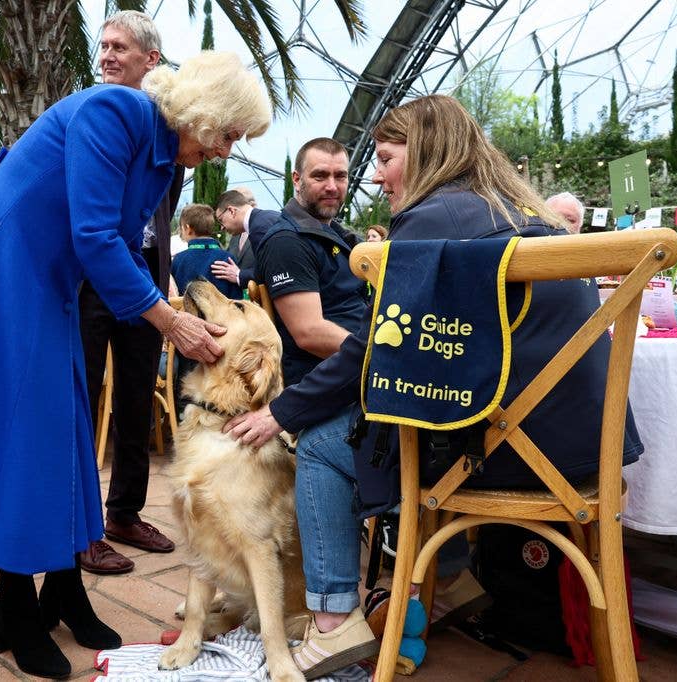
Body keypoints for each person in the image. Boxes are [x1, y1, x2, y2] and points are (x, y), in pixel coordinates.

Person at [224, 94, 643, 678]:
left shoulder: (427, 221)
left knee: (323, 441)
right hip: (586, 451)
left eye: (386, 158)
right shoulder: (527, 213)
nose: (375, 175)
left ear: (422, 154)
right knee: (417, 425)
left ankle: (331, 625)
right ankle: (451, 581)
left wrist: (284, 412)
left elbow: (377, 347)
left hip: (507, 454)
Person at [0, 50, 270, 679]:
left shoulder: (158, 153)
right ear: (203, 113)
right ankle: (13, 599)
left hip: (46, 276)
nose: (227, 150)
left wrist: (170, 310)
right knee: (23, 433)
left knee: (64, 423)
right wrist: (170, 322)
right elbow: (95, 235)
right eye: (229, 134)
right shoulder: (113, 112)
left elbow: (113, 244)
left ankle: (63, 585)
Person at [78, 10, 185, 578]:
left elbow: (156, 212)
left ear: (152, 59)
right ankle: (82, 528)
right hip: (94, 274)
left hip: (143, 273)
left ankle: (123, 513)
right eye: (103, 47)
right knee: (84, 393)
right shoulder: (99, 120)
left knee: (138, 396)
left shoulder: (171, 130)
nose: (106, 56)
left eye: (119, 47)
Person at [255, 137, 369, 387]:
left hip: (356, 376)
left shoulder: (340, 236)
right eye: (320, 176)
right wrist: (380, 358)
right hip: (330, 387)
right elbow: (310, 333)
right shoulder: (287, 242)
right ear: (296, 179)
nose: (332, 186)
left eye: (340, 176)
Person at [210, 189, 281, 289]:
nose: (222, 227)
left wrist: (239, 274)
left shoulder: (258, 228)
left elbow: (270, 272)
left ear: (232, 211)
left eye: (221, 220)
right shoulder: (266, 218)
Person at [170, 203, 242, 300]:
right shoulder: (227, 258)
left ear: (188, 228)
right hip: (222, 314)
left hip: (188, 314)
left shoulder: (178, 260)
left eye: (181, 228)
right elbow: (237, 299)